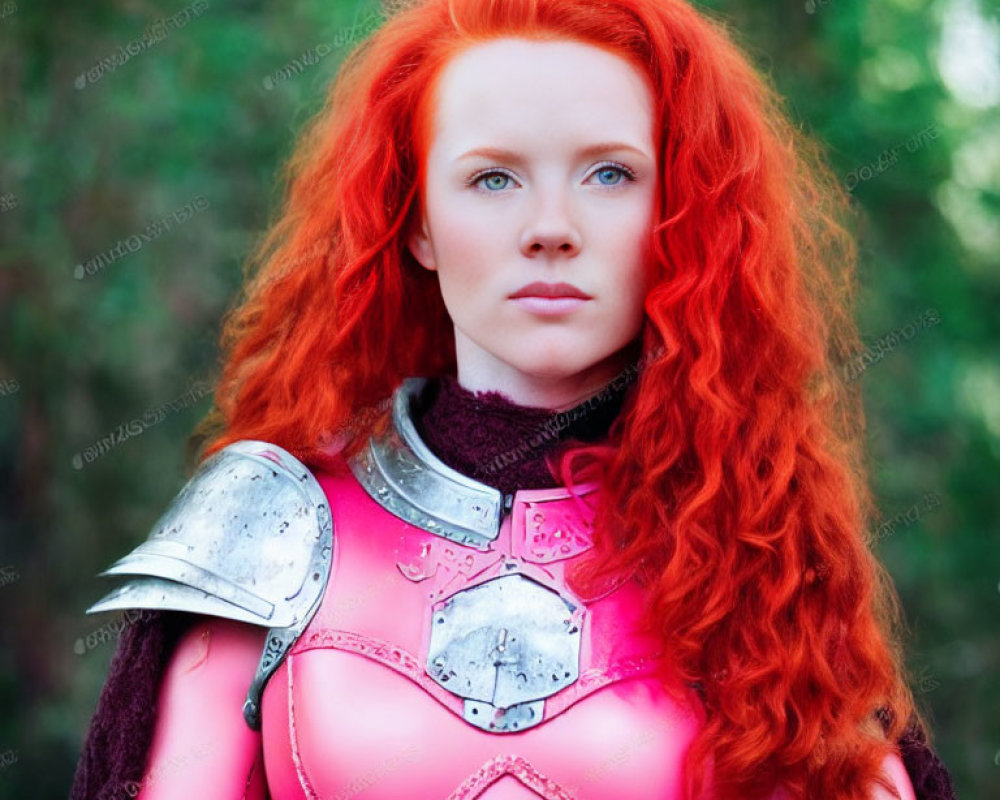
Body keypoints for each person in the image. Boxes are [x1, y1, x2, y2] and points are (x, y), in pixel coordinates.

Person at [70, 0, 958, 798]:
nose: (550, 229)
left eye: (610, 174)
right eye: (493, 177)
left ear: (678, 212)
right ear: (415, 219)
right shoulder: (268, 527)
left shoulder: (759, 545)